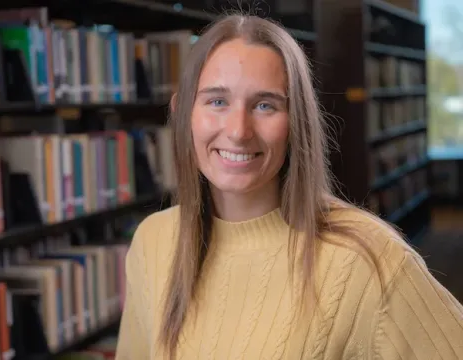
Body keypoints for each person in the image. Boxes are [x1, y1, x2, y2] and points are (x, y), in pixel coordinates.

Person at [115, 14, 463, 360]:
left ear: (297, 122)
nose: (238, 130)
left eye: (265, 105)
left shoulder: (367, 259)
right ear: (183, 113)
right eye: (217, 101)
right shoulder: (153, 241)